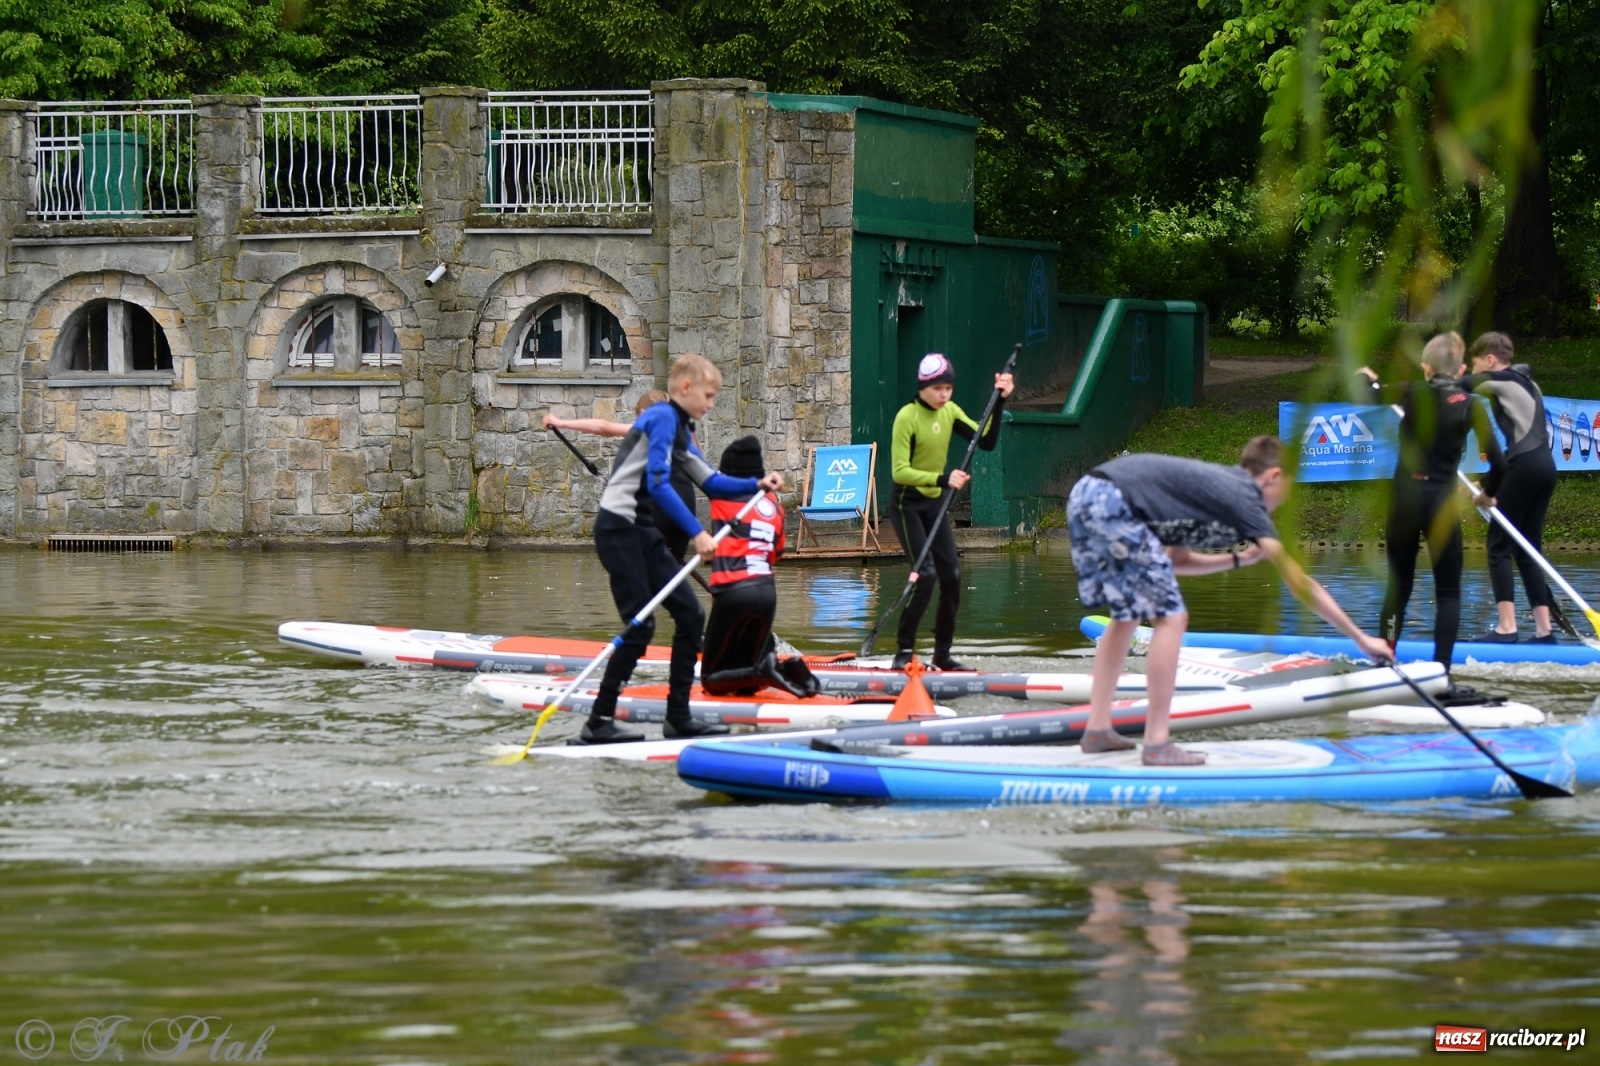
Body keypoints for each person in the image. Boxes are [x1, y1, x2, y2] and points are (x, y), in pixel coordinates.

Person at [1068, 437, 1393, 766]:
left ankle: (1098, 730)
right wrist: (1360, 638)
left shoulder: (1213, 492)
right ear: (1274, 477)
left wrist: (1239, 559)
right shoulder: (1245, 498)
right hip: (1112, 501)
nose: (1285, 500)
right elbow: (1300, 584)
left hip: (1091, 495)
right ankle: (1157, 742)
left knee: (1128, 615)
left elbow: (1174, 560)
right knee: (1172, 618)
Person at [580, 355, 784, 744]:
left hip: (643, 531)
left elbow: (712, 482)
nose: (711, 404)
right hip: (618, 530)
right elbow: (659, 484)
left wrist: (757, 484)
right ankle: (599, 721)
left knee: (691, 616)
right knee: (641, 626)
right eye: (708, 395)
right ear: (686, 388)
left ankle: (678, 717)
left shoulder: (680, 427)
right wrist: (697, 532)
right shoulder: (660, 418)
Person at [1359, 332, 1504, 680]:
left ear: (1426, 367)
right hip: (1441, 504)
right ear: (1461, 369)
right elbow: (1500, 464)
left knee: (1399, 586)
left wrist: (1365, 377)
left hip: (1405, 502)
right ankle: (1442, 670)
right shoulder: (1470, 405)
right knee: (1449, 592)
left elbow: (1367, 393)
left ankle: (1384, 662)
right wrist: (1486, 494)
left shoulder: (1411, 391)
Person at [888, 353, 1015, 670]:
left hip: (934, 505)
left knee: (953, 576)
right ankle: (903, 652)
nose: (944, 394)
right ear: (923, 388)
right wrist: (943, 479)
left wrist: (999, 401)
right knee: (926, 575)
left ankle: (942, 655)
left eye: (948, 388)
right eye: (937, 389)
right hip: (907, 504)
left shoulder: (951, 411)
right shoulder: (907, 417)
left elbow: (986, 441)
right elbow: (900, 472)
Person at [699, 436, 819, 697]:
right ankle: (786, 669)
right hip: (766, 592)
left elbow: (694, 463)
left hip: (733, 591)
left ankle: (767, 670)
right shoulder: (774, 503)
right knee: (745, 677)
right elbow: (777, 553)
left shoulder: (722, 493)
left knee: (710, 680)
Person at [1462, 331, 1557, 643]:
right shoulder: (1530, 384)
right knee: (1527, 549)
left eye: (1475, 364)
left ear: (1490, 360)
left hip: (1525, 466)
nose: (1475, 371)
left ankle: (1506, 628)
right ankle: (1544, 631)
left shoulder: (1499, 379)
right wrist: (1490, 484)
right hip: (1545, 467)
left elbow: (1452, 388)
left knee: (1498, 545)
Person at [544, 390, 699, 561]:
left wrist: (562, 423)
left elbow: (604, 427)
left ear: (642, 413)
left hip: (658, 507)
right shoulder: (681, 432)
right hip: (685, 507)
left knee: (649, 568)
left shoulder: (645, 426)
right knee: (672, 567)